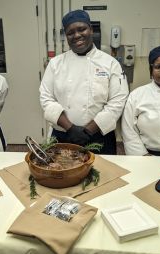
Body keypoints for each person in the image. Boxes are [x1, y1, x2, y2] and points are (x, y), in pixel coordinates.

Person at [39, 10, 128, 154]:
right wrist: (71, 129)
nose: (77, 35)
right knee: (62, 174)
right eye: (70, 32)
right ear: (66, 36)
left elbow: (118, 101)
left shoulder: (110, 63)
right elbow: (46, 98)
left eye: (82, 29)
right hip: (63, 134)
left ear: (91, 30)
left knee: (104, 173)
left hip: (100, 136)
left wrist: (89, 130)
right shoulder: (55, 64)